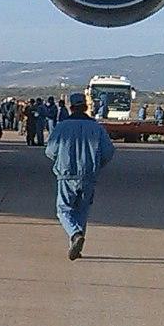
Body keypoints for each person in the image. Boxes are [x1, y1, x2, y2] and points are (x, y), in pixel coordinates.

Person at [44, 90, 114, 259]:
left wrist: (61, 161)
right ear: (85, 107)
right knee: (82, 211)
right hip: (88, 175)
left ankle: (75, 234)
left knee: (63, 210)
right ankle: (76, 246)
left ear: (71, 107)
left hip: (67, 174)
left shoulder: (62, 127)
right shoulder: (97, 128)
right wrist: (95, 166)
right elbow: (108, 152)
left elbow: (50, 151)